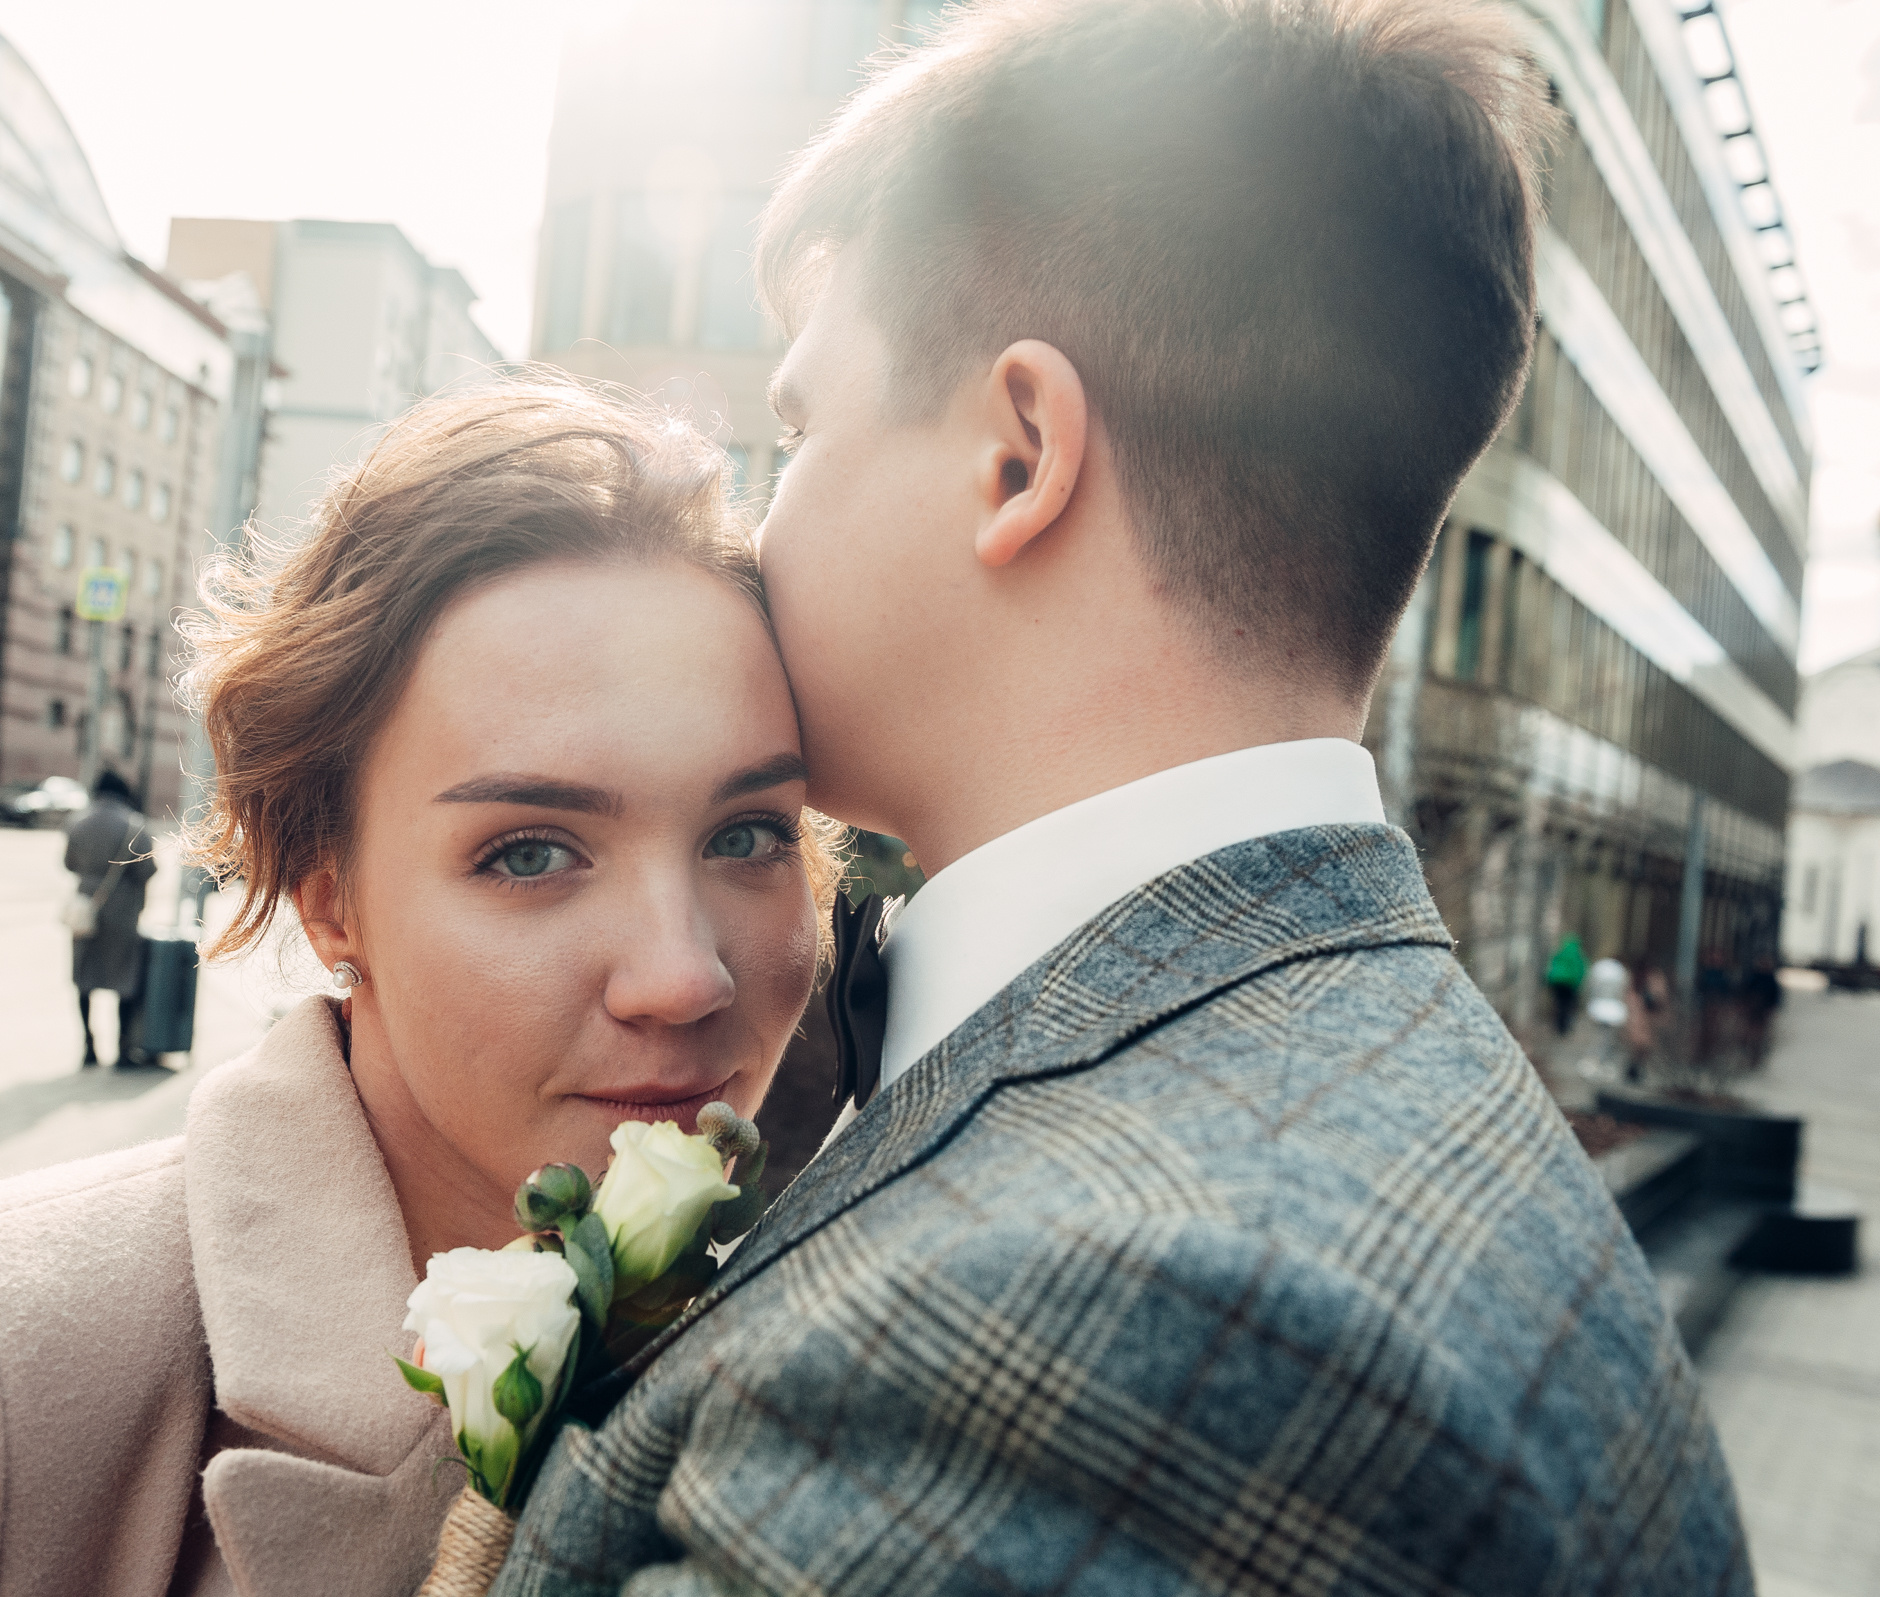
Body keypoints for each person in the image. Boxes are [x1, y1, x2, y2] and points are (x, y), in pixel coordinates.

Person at [492, 0, 1749, 1591]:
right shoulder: (1384, 1070)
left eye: (801, 427)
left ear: (1019, 455)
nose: (758, 526)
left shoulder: (1100, 1329)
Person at [0, 381, 838, 1596]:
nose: (684, 974)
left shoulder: (847, 1320)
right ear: (329, 897)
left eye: (748, 835)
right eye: (529, 853)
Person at [66, 767, 158, 1068]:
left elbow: (68, 863)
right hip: (122, 912)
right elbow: (148, 870)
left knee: (84, 979)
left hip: (87, 911)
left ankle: (88, 1047)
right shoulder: (134, 827)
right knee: (125, 979)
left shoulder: (78, 822)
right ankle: (123, 1049)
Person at [1546, 931, 1587, 1034]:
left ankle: (1558, 1025)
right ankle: (1564, 1027)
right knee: (1567, 1005)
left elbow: (1551, 968)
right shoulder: (1577, 955)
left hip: (1557, 984)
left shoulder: (1560, 953)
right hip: (1570, 985)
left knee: (1558, 1004)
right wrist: (1578, 984)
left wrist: (1549, 982)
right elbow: (1581, 970)